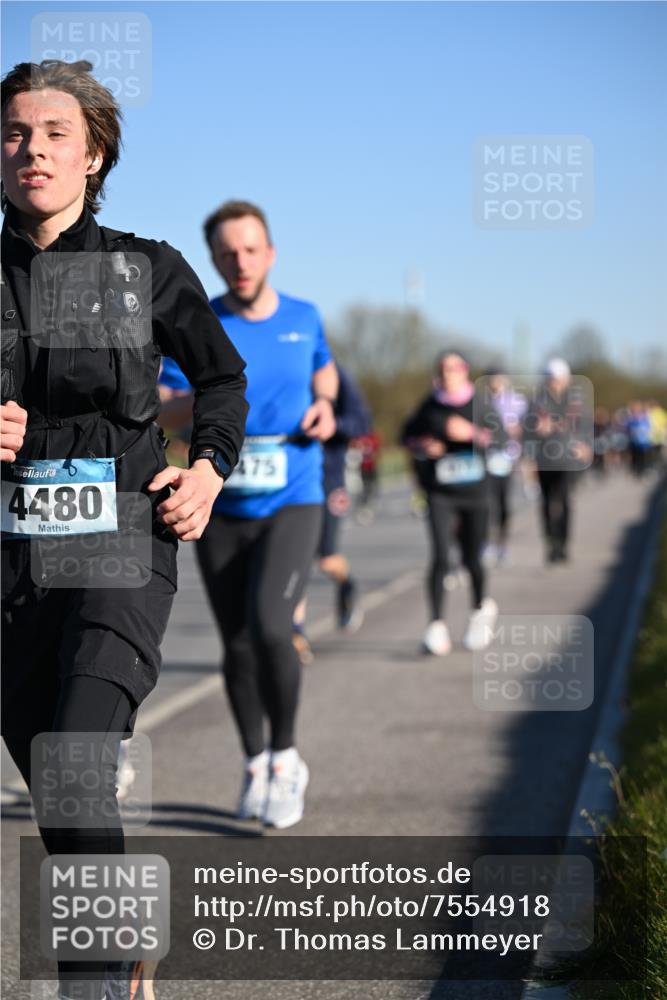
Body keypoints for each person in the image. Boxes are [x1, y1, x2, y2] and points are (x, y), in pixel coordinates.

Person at [1, 60, 248, 1000]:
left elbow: (219, 380)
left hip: (119, 538)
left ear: (93, 152)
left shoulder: (146, 269)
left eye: (56, 133)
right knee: (63, 792)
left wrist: (209, 466)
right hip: (8, 555)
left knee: (73, 764)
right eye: (16, 133)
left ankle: (93, 983)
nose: (33, 150)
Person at [158, 200, 337, 830]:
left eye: (251, 249)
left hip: (294, 492)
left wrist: (325, 405)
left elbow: (326, 372)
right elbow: (165, 405)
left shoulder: (305, 317)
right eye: (228, 252)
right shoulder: (199, 319)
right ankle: (255, 761)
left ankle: (287, 759)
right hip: (220, 495)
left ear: (271, 252)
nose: (240, 261)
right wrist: (210, 404)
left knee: (268, 623)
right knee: (234, 639)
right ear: (213, 258)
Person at [401, 349, 498, 655]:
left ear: (465, 371)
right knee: (441, 556)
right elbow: (406, 436)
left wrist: (471, 433)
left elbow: (505, 438)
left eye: (454, 368)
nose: (448, 374)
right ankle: (436, 625)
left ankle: (479, 611)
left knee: (472, 559)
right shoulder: (430, 405)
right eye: (443, 368)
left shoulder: (481, 404)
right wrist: (423, 446)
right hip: (440, 492)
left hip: (475, 493)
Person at [292, 364, 370, 663]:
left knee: (326, 560)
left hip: (328, 478)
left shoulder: (335, 375)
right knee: (295, 558)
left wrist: (331, 425)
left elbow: (361, 422)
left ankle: (347, 583)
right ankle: (296, 633)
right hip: (289, 480)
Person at [523, 358, 591, 563]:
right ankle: (551, 543)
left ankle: (563, 544)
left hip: (568, 460)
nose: (556, 382)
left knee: (564, 500)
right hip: (544, 459)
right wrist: (532, 444)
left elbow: (586, 427)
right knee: (546, 502)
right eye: (552, 378)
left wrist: (585, 445)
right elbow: (527, 432)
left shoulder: (576, 401)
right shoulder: (536, 402)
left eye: (559, 378)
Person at [480, 368, 526, 565]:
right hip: (486, 457)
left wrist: (518, 430)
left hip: (508, 457)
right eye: (491, 380)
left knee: (503, 503)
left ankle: (502, 545)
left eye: (498, 379)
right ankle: (486, 544)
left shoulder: (518, 401)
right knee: (486, 504)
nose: (495, 383)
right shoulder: (481, 402)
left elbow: (528, 425)